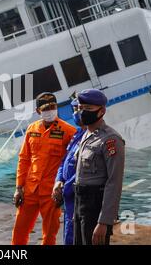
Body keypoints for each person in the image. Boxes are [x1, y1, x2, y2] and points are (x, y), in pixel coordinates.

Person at [11, 92, 76, 245]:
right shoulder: (32, 129)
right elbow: (24, 159)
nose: (50, 111)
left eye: (53, 107)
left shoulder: (69, 131)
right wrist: (18, 187)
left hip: (52, 192)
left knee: (49, 235)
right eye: (46, 108)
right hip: (30, 189)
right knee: (19, 230)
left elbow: (71, 164)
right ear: (38, 111)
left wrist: (64, 187)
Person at [73, 89, 125, 245]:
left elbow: (114, 182)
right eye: (81, 108)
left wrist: (104, 222)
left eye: (88, 109)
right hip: (79, 201)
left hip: (95, 205)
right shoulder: (87, 135)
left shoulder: (110, 140)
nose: (83, 112)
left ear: (102, 111)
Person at [52, 98, 86, 245]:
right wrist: (58, 181)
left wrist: (64, 189)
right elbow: (65, 161)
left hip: (81, 198)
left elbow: (85, 170)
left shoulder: (96, 137)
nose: (75, 113)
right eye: (74, 110)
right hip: (68, 197)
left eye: (78, 109)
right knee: (69, 237)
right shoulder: (77, 135)